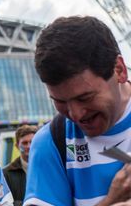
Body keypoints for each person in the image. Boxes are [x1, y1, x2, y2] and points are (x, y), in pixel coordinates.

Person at [25, 16, 131, 205]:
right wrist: (112, 201)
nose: (76, 114)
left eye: (85, 97)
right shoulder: (51, 142)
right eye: (60, 101)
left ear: (119, 70)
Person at [2, 125, 36, 206]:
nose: (29, 146)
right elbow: (4, 202)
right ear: (17, 146)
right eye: (25, 143)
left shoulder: (48, 169)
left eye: (32, 142)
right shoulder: (6, 173)